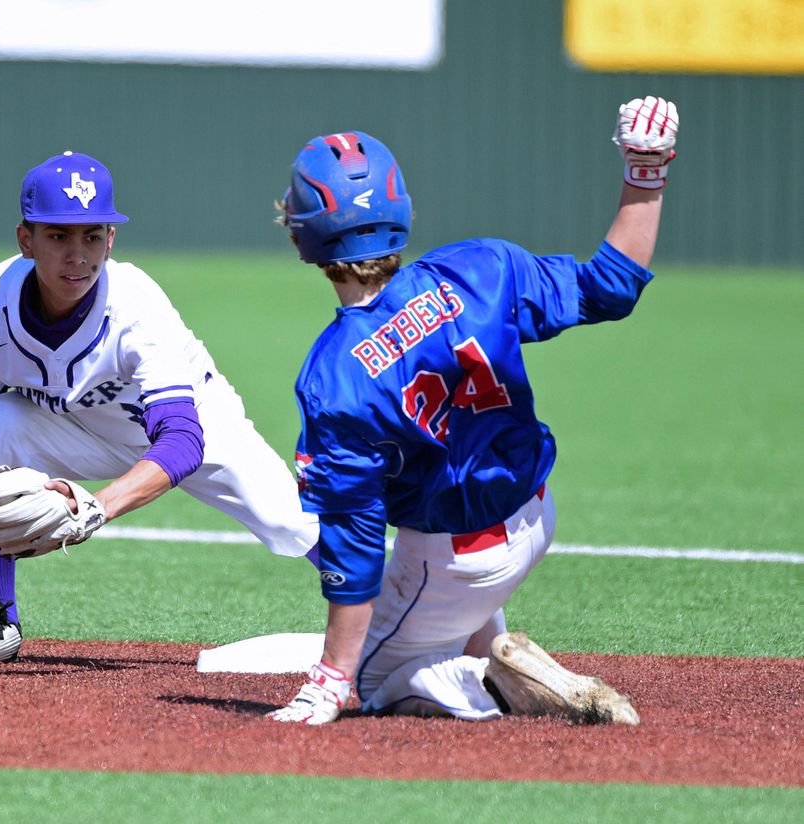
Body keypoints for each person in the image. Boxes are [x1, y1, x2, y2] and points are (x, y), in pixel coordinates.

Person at [267, 96, 679, 724]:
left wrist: (332, 679)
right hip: (536, 514)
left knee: (382, 681)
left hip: (457, 556)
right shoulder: (482, 267)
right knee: (440, 612)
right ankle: (486, 644)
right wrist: (644, 172)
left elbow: (353, 547)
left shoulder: (334, 375)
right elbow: (611, 287)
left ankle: (507, 682)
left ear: (305, 233)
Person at [0, 150, 319, 665]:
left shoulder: (135, 308)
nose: (78, 255)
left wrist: (97, 508)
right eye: (59, 236)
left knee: (298, 524)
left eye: (92, 236)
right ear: (26, 240)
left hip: (197, 427)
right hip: (82, 431)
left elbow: (182, 442)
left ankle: (396, 618)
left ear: (111, 239)